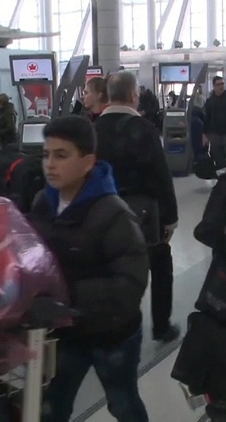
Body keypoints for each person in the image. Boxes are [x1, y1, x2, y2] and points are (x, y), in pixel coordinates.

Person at [28, 116, 149, 422]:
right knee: (52, 404)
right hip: (66, 334)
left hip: (112, 335)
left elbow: (129, 285)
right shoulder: (43, 202)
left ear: (87, 162)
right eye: (46, 155)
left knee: (123, 403)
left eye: (61, 155)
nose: (50, 164)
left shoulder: (115, 215)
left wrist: (64, 297)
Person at [94, 71, 181, 343]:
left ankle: (109, 326)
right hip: (143, 215)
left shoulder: (94, 129)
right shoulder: (144, 129)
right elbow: (160, 175)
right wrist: (170, 219)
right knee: (160, 265)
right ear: (134, 95)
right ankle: (161, 326)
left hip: (104, 213)